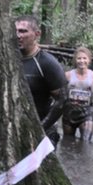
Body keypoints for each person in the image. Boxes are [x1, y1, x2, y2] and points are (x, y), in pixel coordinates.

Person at [15, 15, 67, 144]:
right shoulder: (9, 59)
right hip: (16, 128)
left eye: (23, 31)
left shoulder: (47, 63)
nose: (18, 35)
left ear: (37, 34)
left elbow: (63, 99)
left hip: (43, 130)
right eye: (15, 31)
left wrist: (40, 128)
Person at [62, 46, 93, 141]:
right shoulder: (67, 75)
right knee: (67, 142)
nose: (82, 61)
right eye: (79, 58)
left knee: (85, 142)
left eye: (84, 58)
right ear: (75, 60)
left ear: (89, 60)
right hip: (69, 114)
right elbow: (60, 94)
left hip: (86, 114)